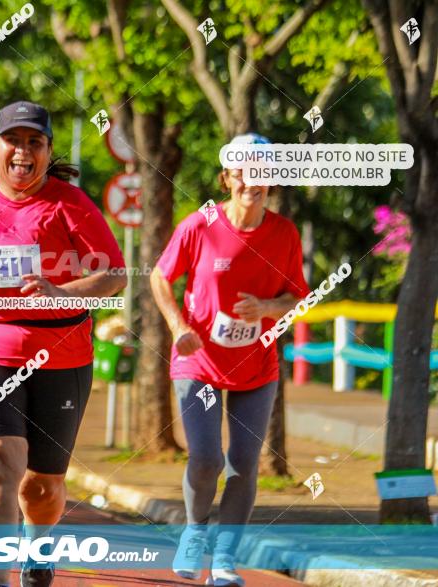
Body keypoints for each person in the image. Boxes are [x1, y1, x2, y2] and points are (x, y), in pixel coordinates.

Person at [0, 101, 127, 587]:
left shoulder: (71, 205)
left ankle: (39, 549)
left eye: (35, 142)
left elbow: (114, 274)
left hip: (62, 357)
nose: (23, 151)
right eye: (14, 140)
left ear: (48, 151)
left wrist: (60, 292)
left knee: (41, 487)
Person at [150, 133, 309, 586]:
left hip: (257, 367)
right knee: (205, 459)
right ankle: (194, 532)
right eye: (242, 171)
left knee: (243, 463)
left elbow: (298, 297)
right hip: (198, 361)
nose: (251, 181)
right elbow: (162, 278)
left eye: (261, 171)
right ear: (227, 178)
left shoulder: (284, 233)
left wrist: (268, 309)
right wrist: (178, 327)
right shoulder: (200, 224)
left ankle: (224, 558)